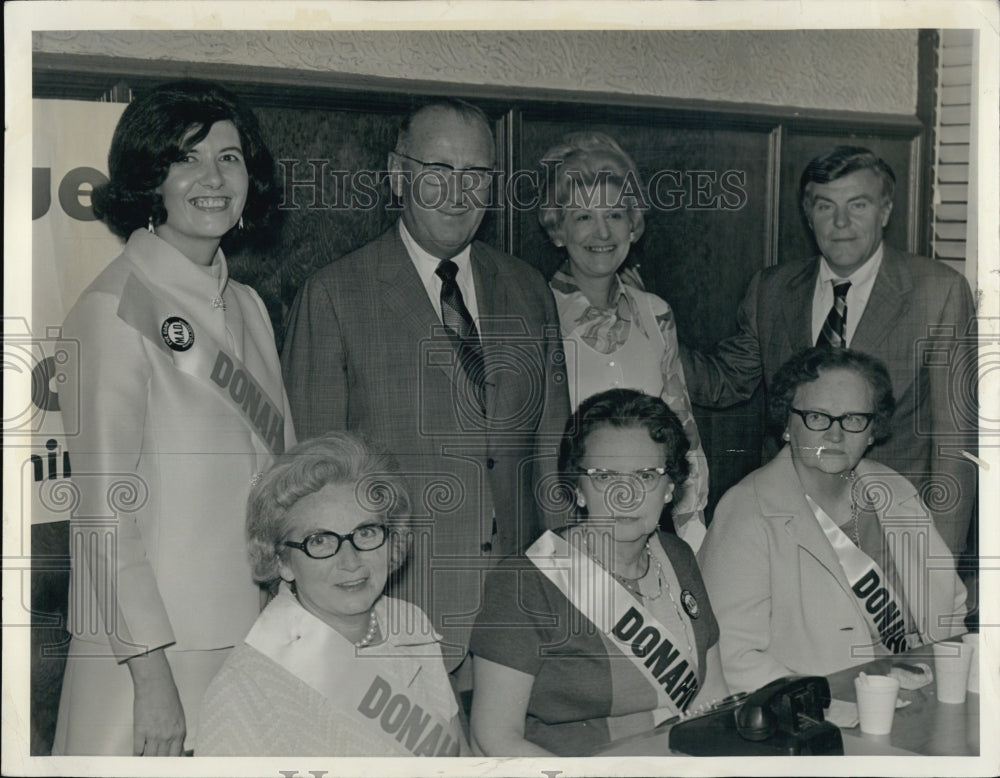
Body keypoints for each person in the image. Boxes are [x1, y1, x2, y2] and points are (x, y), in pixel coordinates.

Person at [281, 99, 570, 672]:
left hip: (519, 618)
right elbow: (310, 483)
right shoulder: (335, 295)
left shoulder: (528, 288)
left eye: (476, 174)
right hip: (394, 616)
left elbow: (551, 456)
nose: (458, 193)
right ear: (398, 173)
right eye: (438, 171)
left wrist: (566, 589)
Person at [52, 80, 295, 755]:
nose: (213, 178)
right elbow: (101, 515)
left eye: (230, 158)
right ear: (149, 178)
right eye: (186, 158)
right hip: (147, 660)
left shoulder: (248, 307)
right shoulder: (112, 308)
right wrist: (151, 676)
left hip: (249, 642)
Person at [681, 146, 977, 558]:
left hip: (891, 538)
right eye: (826, 206)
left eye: (858, 205)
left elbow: (955, 444)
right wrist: (649, 326)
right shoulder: (771, 289)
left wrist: (938, 565)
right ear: (808, 215)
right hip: (787, 532)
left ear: (885, 211)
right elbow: (724, 382)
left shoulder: (938, 291)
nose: (840, 223)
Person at [469, 389, 729, 756]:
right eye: (605, 476)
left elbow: (711, 696)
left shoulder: (678, 557)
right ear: (578, 489)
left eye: (646, 475)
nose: (626, 495)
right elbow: (494, 736)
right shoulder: (526, 583)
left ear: (670, 488)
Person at [698, 348, 967, 694]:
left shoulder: (895, 490)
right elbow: (732, 657)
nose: (835, 435)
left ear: (872, 431)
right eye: (817, 417)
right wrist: (837, 700)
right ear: (787, 425)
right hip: (822, 713)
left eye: (853, 419)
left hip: (928, 693)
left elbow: (951, 606)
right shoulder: (747, 511)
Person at [197, 432, 467, 756]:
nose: (351, 561)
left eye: (365, 532)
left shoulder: (408, 624)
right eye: (320, 541)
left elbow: (459, 759)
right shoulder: (245, 686)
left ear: (392, 537)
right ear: (282, 561)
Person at [539, 131, 710, 551]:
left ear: (633, 226)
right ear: (558, 230)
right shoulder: (534, 314)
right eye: (583, 217)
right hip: (565, 540)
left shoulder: (656, 314)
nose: (602, 232)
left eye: (615, 215)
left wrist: (693, 538)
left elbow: (684, 436)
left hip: (648, 534)